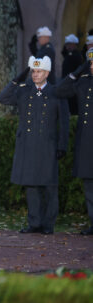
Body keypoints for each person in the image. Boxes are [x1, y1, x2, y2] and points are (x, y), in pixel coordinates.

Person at [0, 56, 69, 235]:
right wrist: (17, 79)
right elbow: (3, 98)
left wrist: (62, 145)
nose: (35, 75)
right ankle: (34, 222)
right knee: (31, 186)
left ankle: (48, 224)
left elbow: (64, 123)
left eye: (39, 71)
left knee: (49, 186)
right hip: (28, 145)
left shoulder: (56, 92)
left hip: (48, 146)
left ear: (47, 73)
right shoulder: (24, 90)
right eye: (33, 71)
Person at [55, 49, 93, 235]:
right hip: (86, 143)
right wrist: (77, 72)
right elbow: (60, 90)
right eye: (91, 64)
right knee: (89, 187)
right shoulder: (83, 82)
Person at [61, 34, 83, 115]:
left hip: (73, 85)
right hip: (67, 84)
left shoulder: (76, 55)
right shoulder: (69, 54)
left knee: (73, 107)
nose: (67, 46)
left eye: (69, 44)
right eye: (67, 44)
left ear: (74, 44)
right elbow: (63, 52)